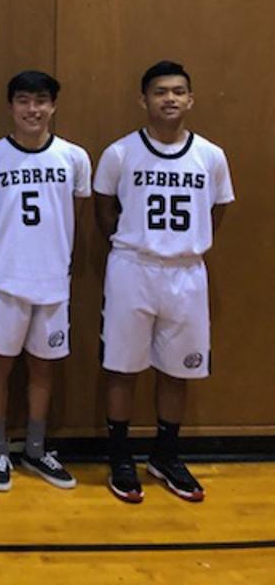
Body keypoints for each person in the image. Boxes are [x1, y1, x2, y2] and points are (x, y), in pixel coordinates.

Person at [95, 60, 234, 503]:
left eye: (177, 91)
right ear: (144, 100)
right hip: (132, 267)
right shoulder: (120, 153)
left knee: (178, 369)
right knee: (122, 366)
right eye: (160, 92)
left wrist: (185, 245)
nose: (169, 99)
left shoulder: (210, 156)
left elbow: (217, 211)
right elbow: (104, 211)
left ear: (190, 99)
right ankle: (120, 456)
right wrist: (138, 243)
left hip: (186, 272)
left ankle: (165, 454)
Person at [0, 70, 91, 492]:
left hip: (53, 282)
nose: (32, 109)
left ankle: (36, 449)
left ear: (53, 106)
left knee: (43, 368)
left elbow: (76, 215)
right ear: (11, 106)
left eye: (41, 100)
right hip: (4, 281)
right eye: (23, 100)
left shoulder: (74, 157)